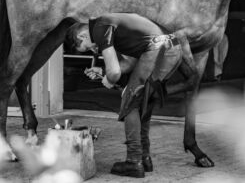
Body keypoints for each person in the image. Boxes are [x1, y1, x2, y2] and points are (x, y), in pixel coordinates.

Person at [65, 13, 182, 178]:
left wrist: (109, 78)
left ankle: (134, 162)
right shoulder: (112, 24)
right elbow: (129, 63)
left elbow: (115, 72)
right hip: (172, 47)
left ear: (82, 35)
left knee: (130, 98)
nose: (93, 50)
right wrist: (104, 71)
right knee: (143, 97)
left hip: (159, 50)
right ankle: (144, 157)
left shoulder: (99, 28)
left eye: (87, 47)